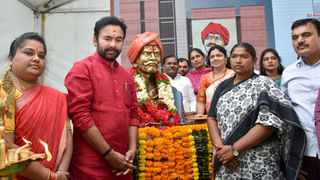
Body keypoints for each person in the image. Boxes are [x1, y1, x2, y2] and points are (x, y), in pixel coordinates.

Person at [207, 42, 306, 179]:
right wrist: (221, 151)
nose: (238, 60)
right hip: (227, 162)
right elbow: (211, 117)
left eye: (244, 56)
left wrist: (234, 150)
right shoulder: (223, 86)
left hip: (259, 161)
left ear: (254, 60)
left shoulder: (265, 84)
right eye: (234, 56)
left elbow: (269, 123)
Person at [65, 16, 138, 179]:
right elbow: (81, 117)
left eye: (118, 40)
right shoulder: (82, 69)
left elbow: (133, 115)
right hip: (90, 164)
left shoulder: (127, 76)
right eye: (107, 38)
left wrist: (132, 148)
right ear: (95, 40)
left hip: (123, 163)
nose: (113, 44)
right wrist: (108, 154)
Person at [1, 32, 72, 180]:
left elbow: (67, 139)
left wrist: (61, 173)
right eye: (28, 53)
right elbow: (6, 148)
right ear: (10, 59)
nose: (36, 59)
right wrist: (51, 177)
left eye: (41, 56)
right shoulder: (4, 94)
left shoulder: (57, 97)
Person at [281, 18, 320, 180]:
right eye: (295, 37)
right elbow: (285, 115)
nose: (300, 41)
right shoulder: (289, 74)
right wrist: (291, 160)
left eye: (306, 35)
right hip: (307, 152)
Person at [127, 32, 184, 127]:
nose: (153, 58)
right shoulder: (126, 88)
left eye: (156, 54)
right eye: (147, 54)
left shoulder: (172, 91)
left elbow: (178, 120)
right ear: (135, 60)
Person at [196, 45, 234, 115]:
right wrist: (200, 114)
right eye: (212, 57)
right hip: (211, 117)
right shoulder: (205, 78)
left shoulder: (234, 75)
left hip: (231, 114)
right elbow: (201, 101)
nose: (215, 58)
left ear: (225, 59)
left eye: (219, 55)